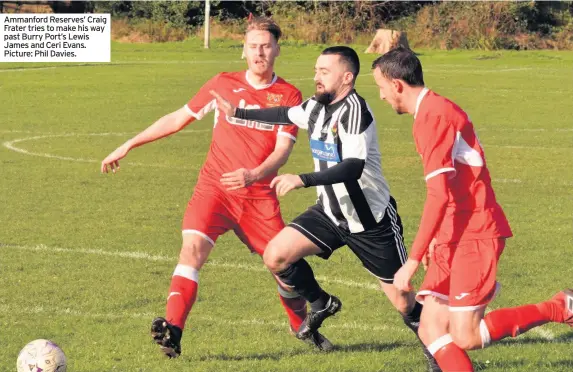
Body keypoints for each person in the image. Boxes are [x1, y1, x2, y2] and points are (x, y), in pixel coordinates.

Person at [100, 17, 333, 358]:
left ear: (277, 50)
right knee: (191, 251)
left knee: (284, 271)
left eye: (266, 46)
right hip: (215, 191)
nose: (259, 52)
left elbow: (283, 150)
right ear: (243, 50)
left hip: (258, 199)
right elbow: (178, 118)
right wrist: (129, 144)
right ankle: (173, 331)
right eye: (253, 46)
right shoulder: (222, 84)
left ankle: (301, 327)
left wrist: (255, 174)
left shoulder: (289, 95)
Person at [211, 45, 441, 372]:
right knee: (276, 255)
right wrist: (239, 113)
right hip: (330, 214)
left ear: (346, 77)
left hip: (371, 223)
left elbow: (352, 168)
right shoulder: (316, 107)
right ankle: (321, 303)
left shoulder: (356, 111)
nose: (316, 77)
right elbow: (284, 114)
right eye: (316, 70)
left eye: (324, 72)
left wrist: (302, 179)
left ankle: (442, 358)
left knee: (403, 300)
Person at [371, 46, 573, 371]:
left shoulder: (433, 116)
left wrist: (411, 261)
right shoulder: (429, 113)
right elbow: (449, 189)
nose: (380, 96)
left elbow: (437, 195)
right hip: (454, 233)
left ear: (396, 84)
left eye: (380, 87)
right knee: (431, 328)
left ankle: (560, 307)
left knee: (465, 337)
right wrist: (437, 236)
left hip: (475, 232)